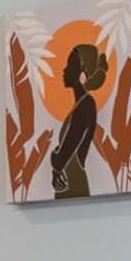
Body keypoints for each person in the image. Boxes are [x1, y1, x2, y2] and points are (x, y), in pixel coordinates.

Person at [47, 36, 109, 199]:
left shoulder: (85, 105)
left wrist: (55, 161)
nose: (64, 70)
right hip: (68, 181)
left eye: (70, 65)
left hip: (73, 183)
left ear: (82, 72)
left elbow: (65, 151)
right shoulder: (80, 105)